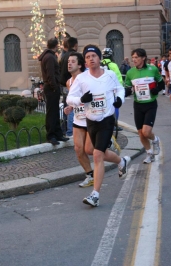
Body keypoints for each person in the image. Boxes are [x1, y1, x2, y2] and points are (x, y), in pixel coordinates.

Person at [67, 44, 131, 207]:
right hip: (91, 121)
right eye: (87, 57)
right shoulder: (82, 79)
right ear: (85, 62)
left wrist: (119, 99)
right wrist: (81, 100)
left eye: (93, 56)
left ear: (99, 58)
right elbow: (70, 98)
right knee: (95, 151)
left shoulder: (109, 75)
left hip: (107, 120)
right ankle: (121, 161)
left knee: (96, 154)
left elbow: (120, 89)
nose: (90, 59)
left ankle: (95, 195)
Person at [125, 48, 164, 163]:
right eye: (133, 57)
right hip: (138, 105)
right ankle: (149, 154)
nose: (134, 59)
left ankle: (155, 139)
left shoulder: (153, 69)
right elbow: (127, 87)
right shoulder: (130, 72)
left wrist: (156, 89)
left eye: (136, 57)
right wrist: (126, 92)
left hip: (150, 104)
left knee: (146, 132)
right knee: (141, 133)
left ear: (143, 58)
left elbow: (161, 83)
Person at [63, 52, 95, 187]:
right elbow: (73, 98)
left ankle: (117, 159)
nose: (69, 64)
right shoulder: (69, 82)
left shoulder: (88, 78)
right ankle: (90, 175)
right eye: (68, 62)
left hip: (92, 118)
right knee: (78, 148)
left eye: (73, 61)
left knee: (91, 150)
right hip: (78, 119)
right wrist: (69, 107)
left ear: (80, 65)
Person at [39, 38, 69, 145]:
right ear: (56, 46)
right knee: (52, 112)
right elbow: (50, 74)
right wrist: (55, 87)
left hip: (52, 87)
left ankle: (58, 134)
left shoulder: (49, 56)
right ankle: (51, 135)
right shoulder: (50, 57)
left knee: (55, 111)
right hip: (51, 88)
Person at [59, 37, 79, 138]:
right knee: (72, 108)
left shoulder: (63, 56)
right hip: (71, 84)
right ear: (75, 45)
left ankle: (65, 129)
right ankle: (70, 132)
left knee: (66, 108)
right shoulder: (74, 56)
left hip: (63, 85)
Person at [101, 47, 124, 131]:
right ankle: (114, 124)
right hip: (112, 90)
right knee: (115, 107)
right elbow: (119, 78)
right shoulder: (113, 65)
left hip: (102, 90)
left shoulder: (99, 64)